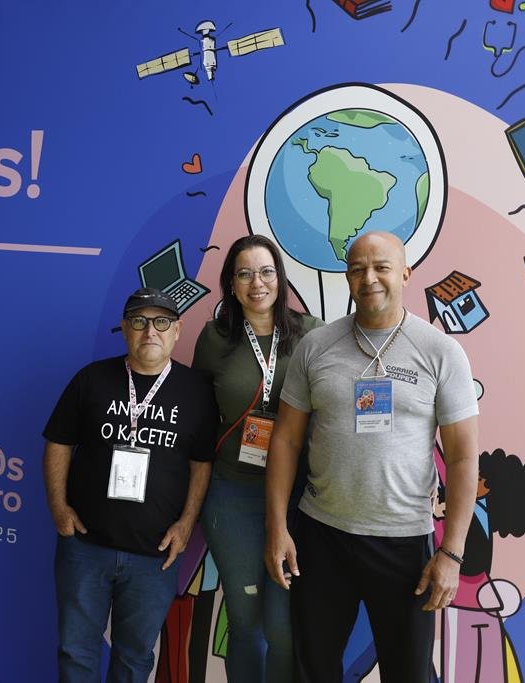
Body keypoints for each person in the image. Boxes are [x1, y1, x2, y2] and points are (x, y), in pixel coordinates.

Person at [263, 231, 480, 683]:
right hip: (322, 537)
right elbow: (285, 441)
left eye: (382, 267)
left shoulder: (441, 352)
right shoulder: (316, 346)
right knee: (313, 671)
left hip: (404, 543)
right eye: (358, 269)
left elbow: (462, 458)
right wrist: (277, 528)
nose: (369, 278)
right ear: (347, 277)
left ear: (405, 274)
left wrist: (452, 554)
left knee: (408, 674)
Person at [43, 287, 218, 683]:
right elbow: (58, 443)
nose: (150, 331)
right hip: (85, 547)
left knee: (135, 659)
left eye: (161, 322)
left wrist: (186, 523)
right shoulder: (91, 379)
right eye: (139, 321)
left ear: (177, 330)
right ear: (124, 329)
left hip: (154, 555)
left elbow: (201, 463)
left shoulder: (196, 392)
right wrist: (59, 508)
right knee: (75, 651)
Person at [192, 234, 323, 682]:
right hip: (233, 495)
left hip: (300, 499)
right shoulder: (215, 338)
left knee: (284, 628)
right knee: (246, 622)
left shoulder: (312, 333)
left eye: (266, 272)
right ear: (230, 283)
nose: (257, 283)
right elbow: (199, 419)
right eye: (244, 274)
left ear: (280, 278)